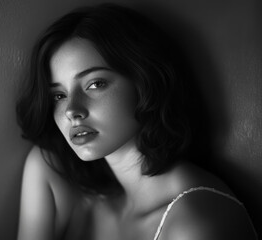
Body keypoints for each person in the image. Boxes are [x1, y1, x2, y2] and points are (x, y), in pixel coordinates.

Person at [16, 3, 257, 240]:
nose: (71, 110)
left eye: (95, 84)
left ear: (143, 81)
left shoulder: (196, 224)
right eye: (59, 95)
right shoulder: (52, 169)